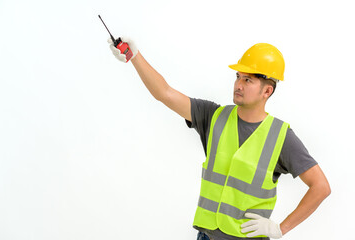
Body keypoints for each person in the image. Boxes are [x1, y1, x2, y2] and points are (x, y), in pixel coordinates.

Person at [107, 37, 331, 240]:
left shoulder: (280, 137)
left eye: (248, 80)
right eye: (238, 77)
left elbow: (320, 186)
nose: (238, 85)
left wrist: (281, 228)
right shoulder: (213, 117)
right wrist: (134, 56)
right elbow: (164, 93)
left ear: (267, 91)